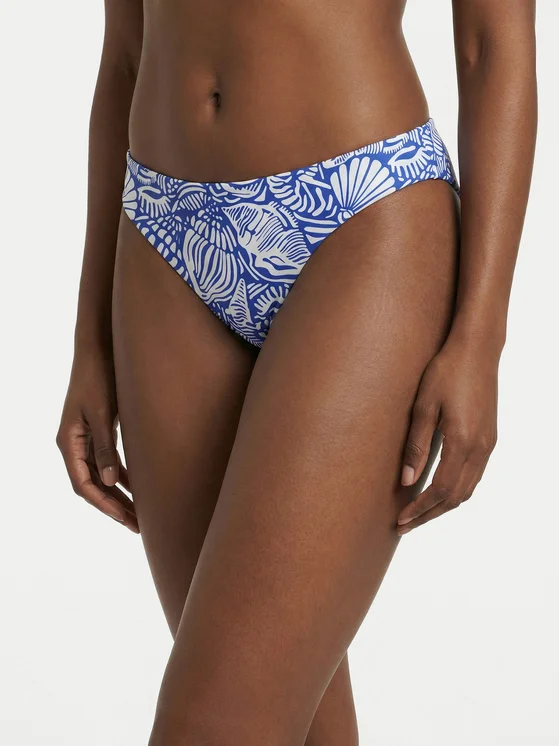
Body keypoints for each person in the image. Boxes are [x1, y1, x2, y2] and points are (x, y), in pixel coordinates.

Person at [56, 1, 537, 743]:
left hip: (362, 212)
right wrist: (88, 339)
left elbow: (491, 45)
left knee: (215, 723)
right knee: (289, 718)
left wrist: (481, 338)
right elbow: (125, 52)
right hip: (161, 229)